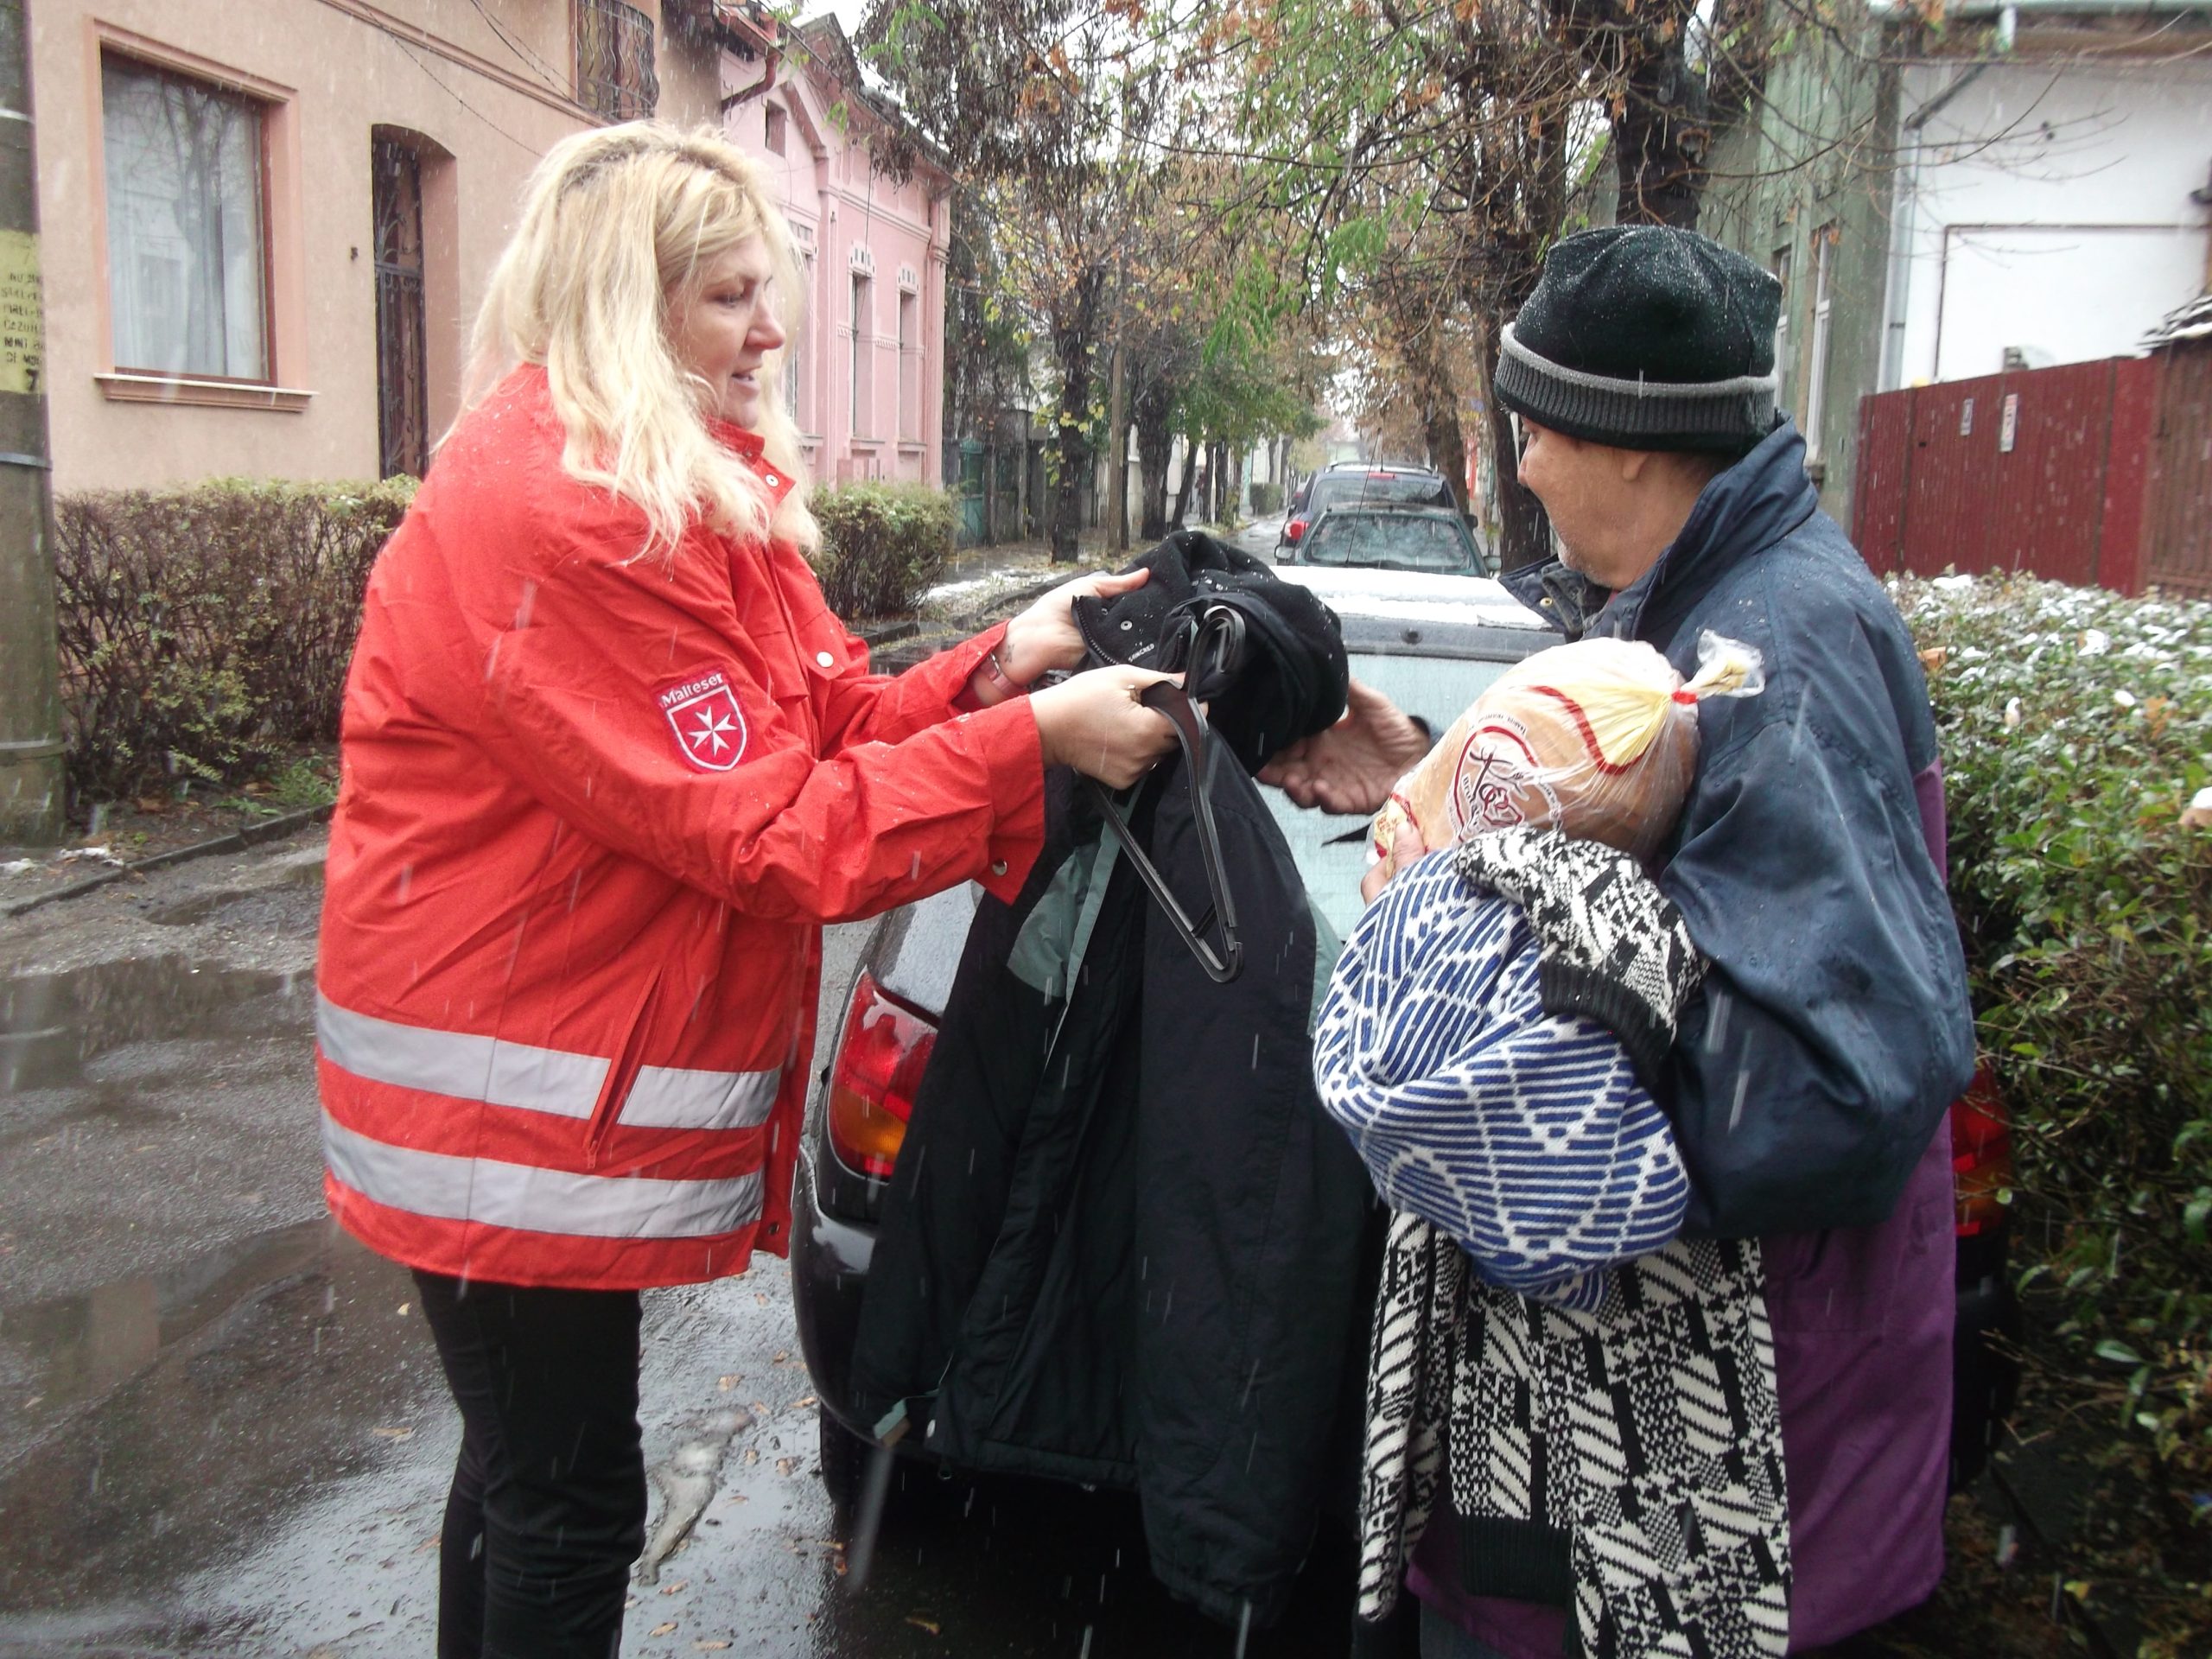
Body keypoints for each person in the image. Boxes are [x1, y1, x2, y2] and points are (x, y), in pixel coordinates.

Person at [313, 123, 1178, 1659]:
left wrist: (999, 667)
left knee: (523, 1482)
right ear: (618, 303)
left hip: (515, 1098)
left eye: (762, 292)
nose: (770, 329)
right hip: (500, 1111)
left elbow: (820, 724)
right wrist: (1027, 752)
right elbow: (774, 832)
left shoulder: (666, 479)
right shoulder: (575, 518)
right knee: (568, 1504)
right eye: (727, 297)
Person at [1273, 224, 1977, 1656]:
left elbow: (1840, 1081)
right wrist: (1450, 799)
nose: (1521, 468)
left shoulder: (1776, 656)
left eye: (1538, 431)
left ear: (1637, 448)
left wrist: (1484, 1025)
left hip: (1719, 1505)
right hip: (1627, 1488)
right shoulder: (1707, 614)